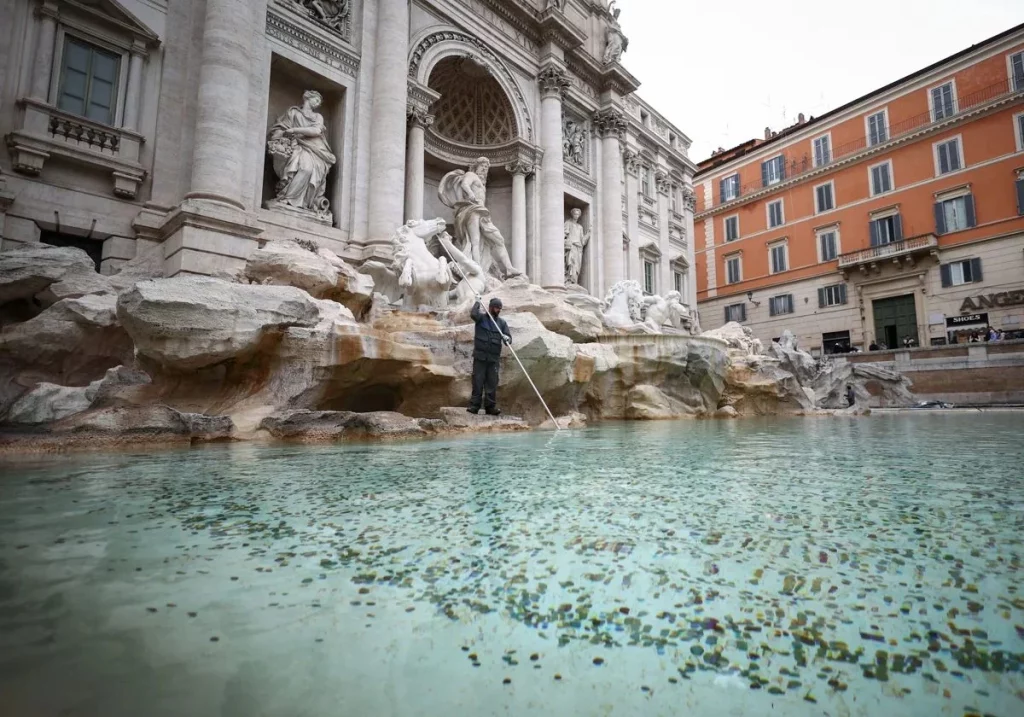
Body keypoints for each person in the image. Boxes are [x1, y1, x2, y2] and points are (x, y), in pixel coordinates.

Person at [468, 296, 512, 416]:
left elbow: (509, 339)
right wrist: (477, 302)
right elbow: (473, 314)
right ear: (491, 307)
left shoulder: (502, 323)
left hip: (493, 359)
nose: (498, 310)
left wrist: (507, 338)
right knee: (477, 381)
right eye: (497, 308)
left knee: (492, 383)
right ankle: (474, 406)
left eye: (500, 308)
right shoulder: (481, 318)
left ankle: (490, 407)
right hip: (480, 357)